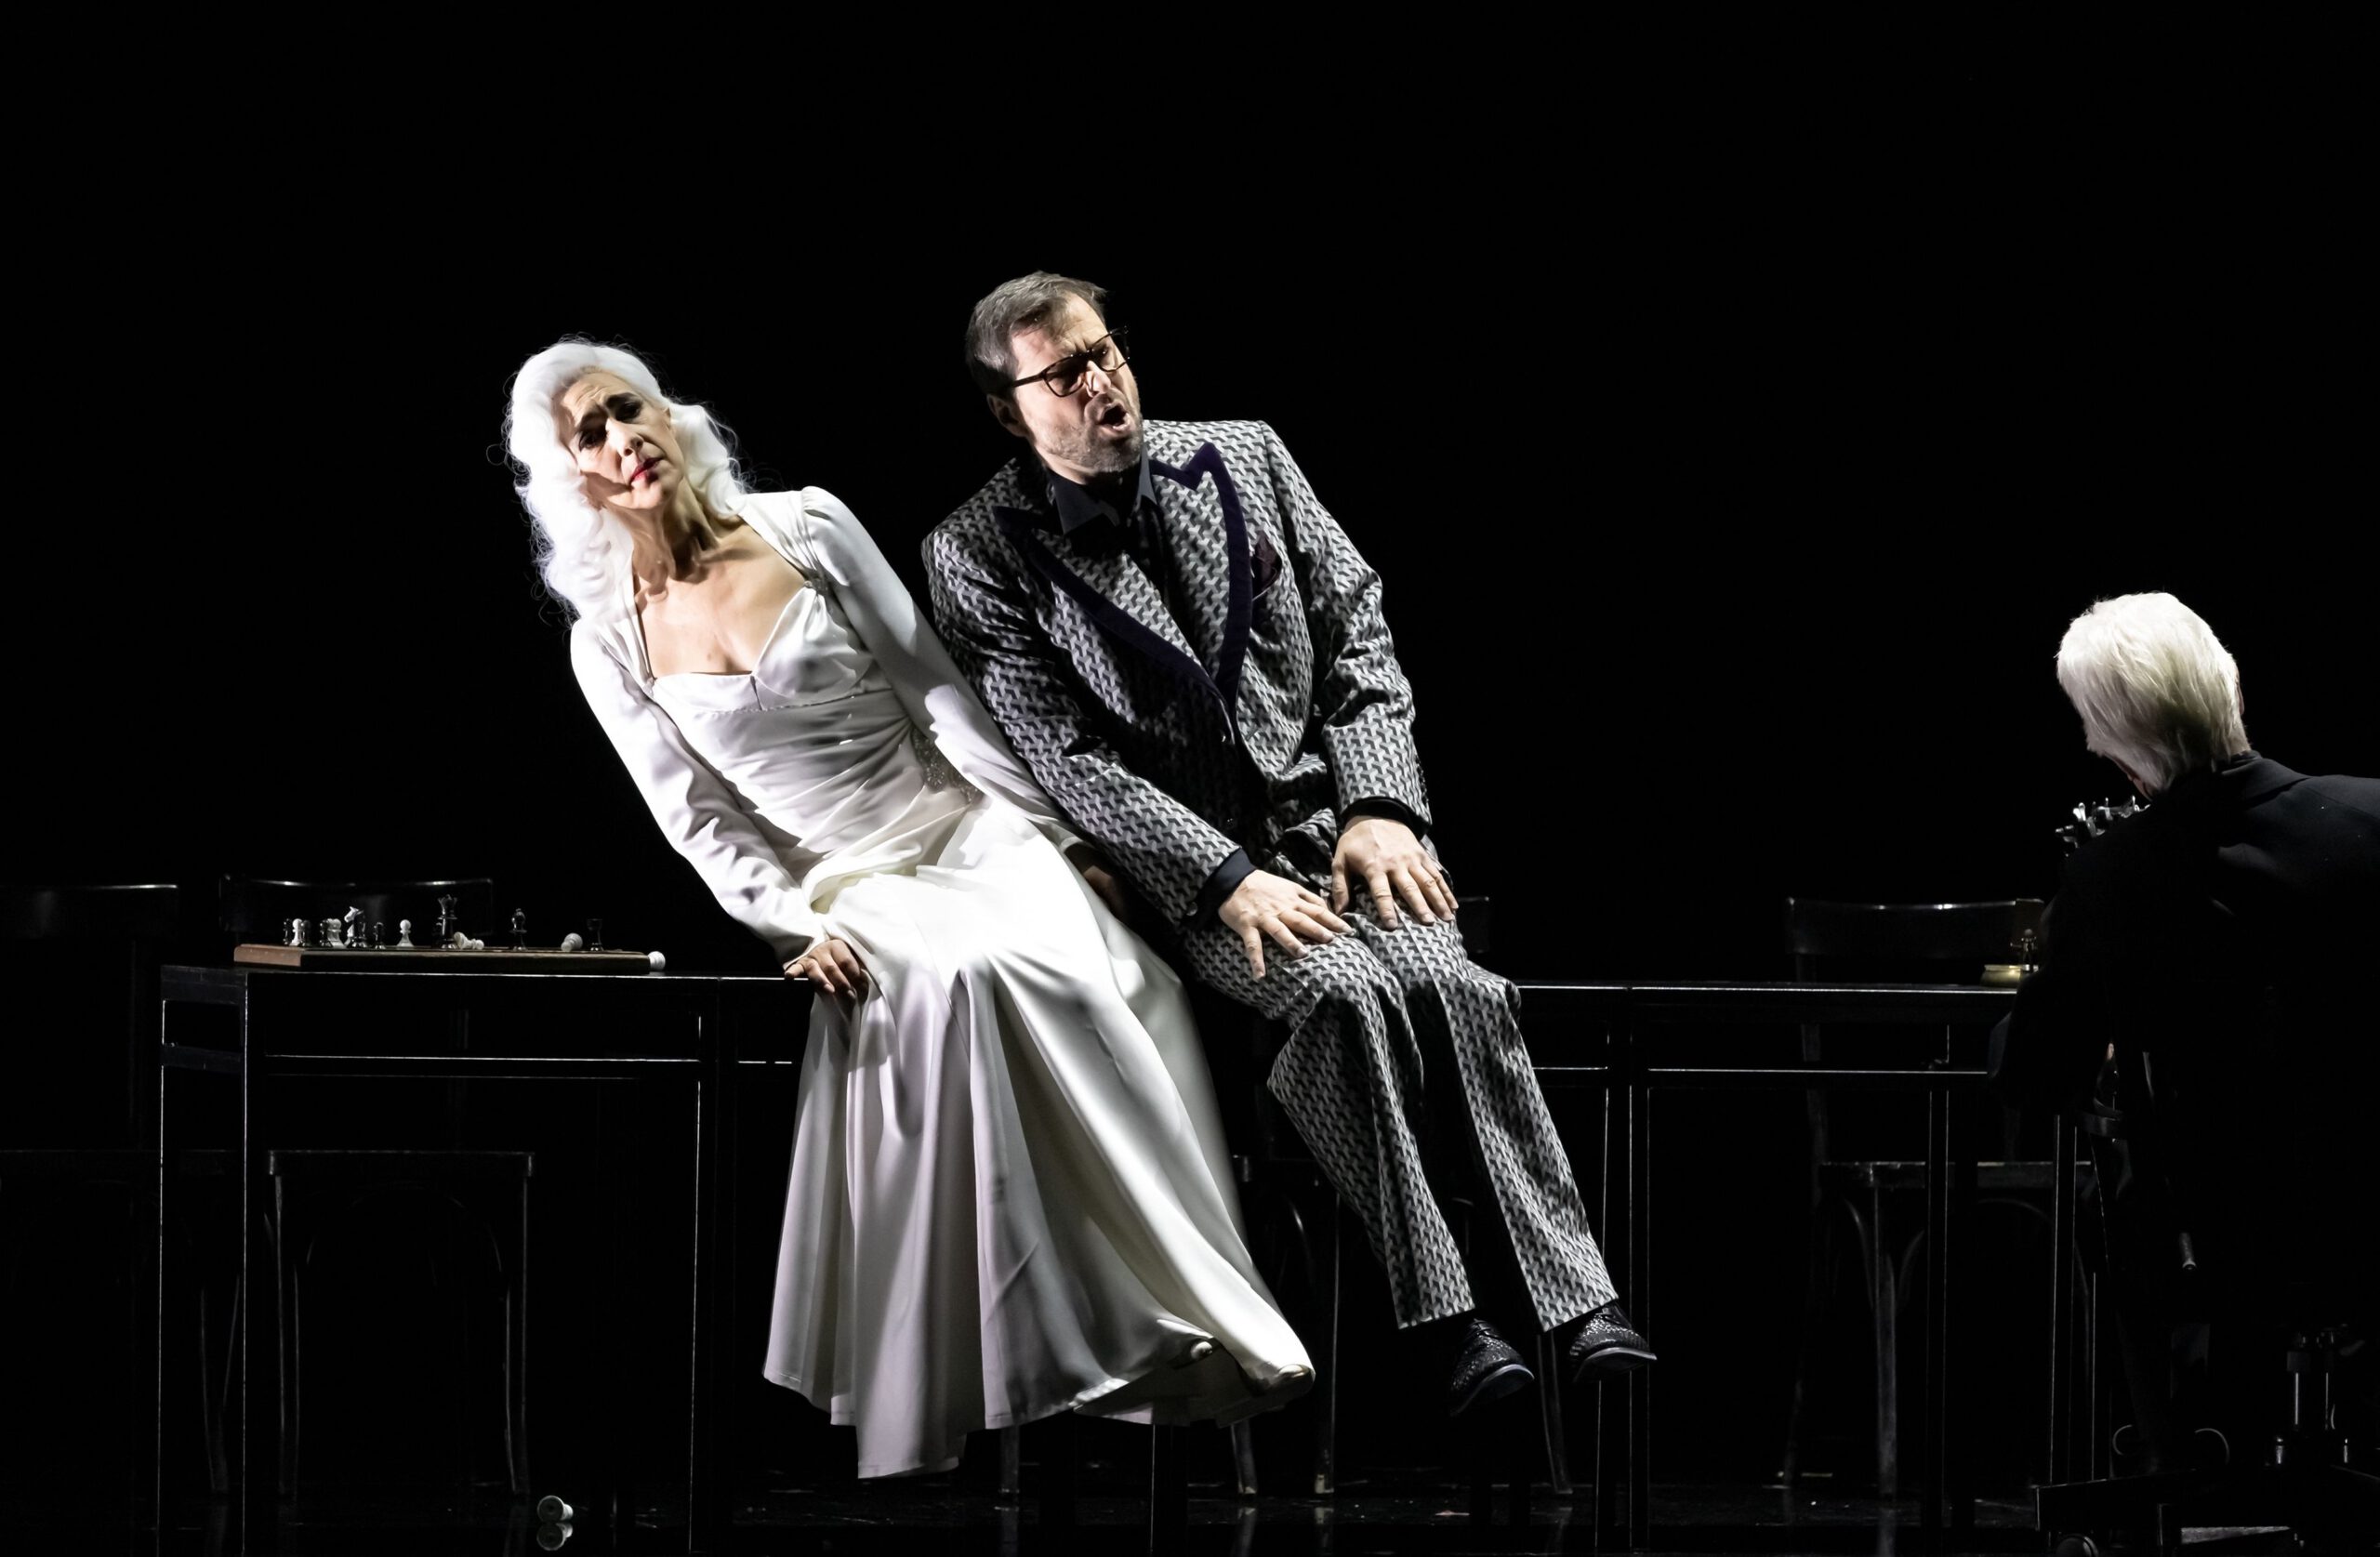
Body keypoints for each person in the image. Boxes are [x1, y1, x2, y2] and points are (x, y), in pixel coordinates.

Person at [502, 340, 1311, 1478]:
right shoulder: (609, 641)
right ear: (570, 478)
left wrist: (1055, 837)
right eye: (589, 435)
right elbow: (696, 818)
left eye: (627, 410)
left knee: (1102, 979)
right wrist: (792, 924)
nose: (622, 440)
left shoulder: (806, 526)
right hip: (851, 879)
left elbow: (936, 689)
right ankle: (1028, 1345)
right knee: (956, 984)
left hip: (963, 826)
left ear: (669, 413)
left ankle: (1171, 1309)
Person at [923, 274, 1653, 1417]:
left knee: (1456, 986)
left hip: (1333, 832)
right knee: (1344, 997)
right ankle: (1450, 1323)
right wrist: (1223, 879)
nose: (1103, 381)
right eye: (1064, 373)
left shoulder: (1245, 455)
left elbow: (1358, 632)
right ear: (1009, 412)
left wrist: (1381, 808)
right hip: (1195, 881)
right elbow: (1067, 759)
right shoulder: (977, 550)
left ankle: (1579, 1305)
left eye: (1106, 352)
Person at [1991, 591, 2379, 1472]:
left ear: (2111, 742)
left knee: (2126, 1208)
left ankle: (2181, 1461)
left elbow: (2035, 1075)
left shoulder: (2114, 875)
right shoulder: (2369, 821)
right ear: (2229, 686)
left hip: (2226, 1243)